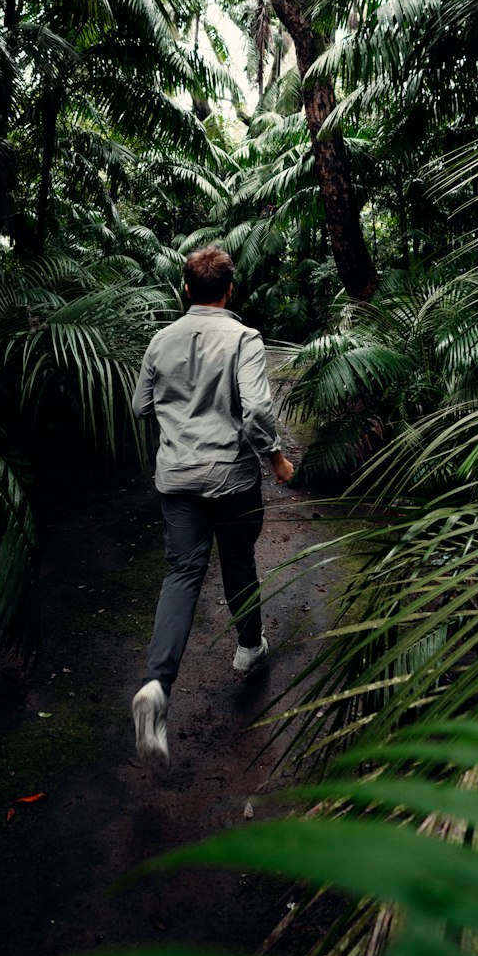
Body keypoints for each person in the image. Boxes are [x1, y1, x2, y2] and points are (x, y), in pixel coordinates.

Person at [130, 245, 295, 767]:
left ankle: (157, 685)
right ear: (229, 290)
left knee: (181, 574)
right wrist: (275, 460)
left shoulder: (161, 339)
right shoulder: (244, 339)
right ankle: (249, 647)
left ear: (185, 289)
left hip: (176, 477)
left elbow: (140, 406)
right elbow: (257, 410)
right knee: (239, 561)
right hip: (231, 477)